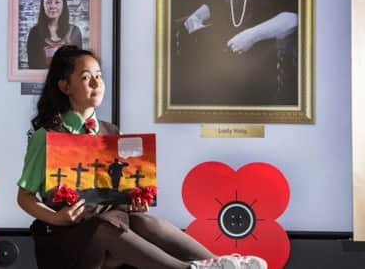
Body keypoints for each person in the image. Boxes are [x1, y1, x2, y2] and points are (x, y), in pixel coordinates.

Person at [16, 45, 267, 269]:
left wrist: (132, 201)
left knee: (143, 221)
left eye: (99, 76)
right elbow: (24, 197)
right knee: (105, 228)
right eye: (86, 77)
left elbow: (115, 196)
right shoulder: (47, 135)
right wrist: (57, 217)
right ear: (65, 86)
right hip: (66, 239)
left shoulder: (111, 132)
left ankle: (219, 263)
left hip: (111, 229)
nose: (96, 83)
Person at [27, 0, 83, 69]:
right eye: (48, 2)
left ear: (63, 5)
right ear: (43, 6)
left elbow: (78, 65)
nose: (53, 6)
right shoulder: (34, 32)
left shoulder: (74, 31)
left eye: (57, 2)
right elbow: (33, 66)